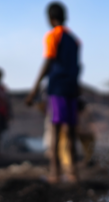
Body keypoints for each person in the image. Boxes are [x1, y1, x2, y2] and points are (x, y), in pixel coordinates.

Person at [25, 2, 81, 183]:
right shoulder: (74, 40)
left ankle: (55, 173)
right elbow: (77, 66)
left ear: (51, 18)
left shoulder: (53, 36)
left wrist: (34, 89)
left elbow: (48, 61)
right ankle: (73, 173)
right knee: (71, 131)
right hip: (72, 88)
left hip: (57, 87)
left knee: (56, 130)